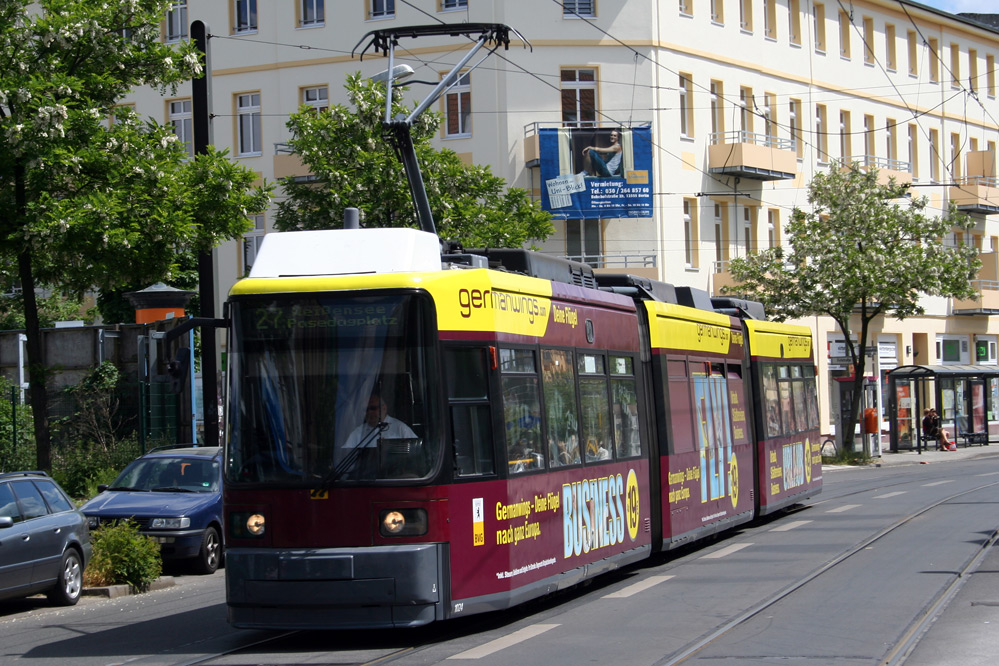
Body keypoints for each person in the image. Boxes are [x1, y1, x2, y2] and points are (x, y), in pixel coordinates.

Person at [344, 393, 416, 451]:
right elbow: (345, 454)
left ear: (384, 408)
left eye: (373, 408)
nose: (369, 412)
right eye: (366, 410)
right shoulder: (357, 433)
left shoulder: (400, 428)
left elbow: (415, 451)